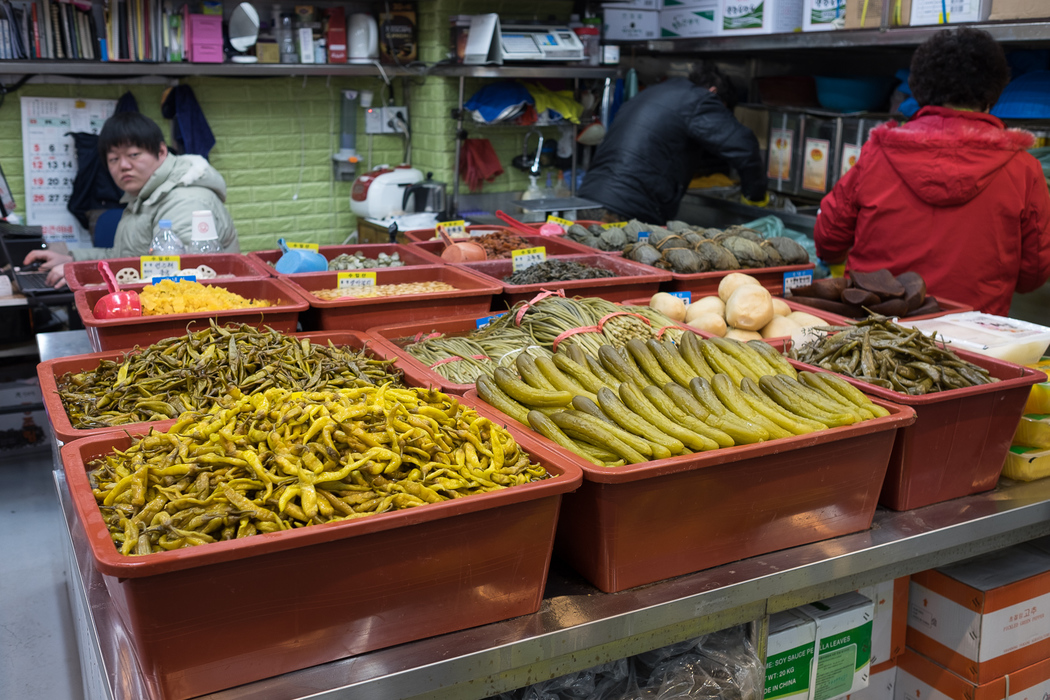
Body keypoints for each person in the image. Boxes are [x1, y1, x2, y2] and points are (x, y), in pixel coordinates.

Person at [814, 27, 1050, 316]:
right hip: (971, 344)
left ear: (920, 89)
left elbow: (828, 240)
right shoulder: (1024, 169)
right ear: (993, 93)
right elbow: (1033, 274)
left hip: (873, 334)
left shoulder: (878, 153)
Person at [26, 112, 239, 288]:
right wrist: (71, 260)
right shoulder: (144, 197)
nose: (123, 165)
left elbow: (180, 276)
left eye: (134, 154)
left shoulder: (185, 200)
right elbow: (122, 257)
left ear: (161, 151)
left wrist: (84, 276)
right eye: (114, 159)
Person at [578, 67, 767, 225]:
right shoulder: (700, 100)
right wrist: (754, 196)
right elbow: (744, 146)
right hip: (626, 210)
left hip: (590, 200)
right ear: (714, 93)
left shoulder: (656, 91)